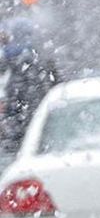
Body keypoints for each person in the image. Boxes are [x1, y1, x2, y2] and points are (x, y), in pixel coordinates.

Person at [0, 17, 60, 153]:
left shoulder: (20, 64)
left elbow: (20, 109)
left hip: (22, 134)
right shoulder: (32, 59)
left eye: (6, 37)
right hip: (32, 130)